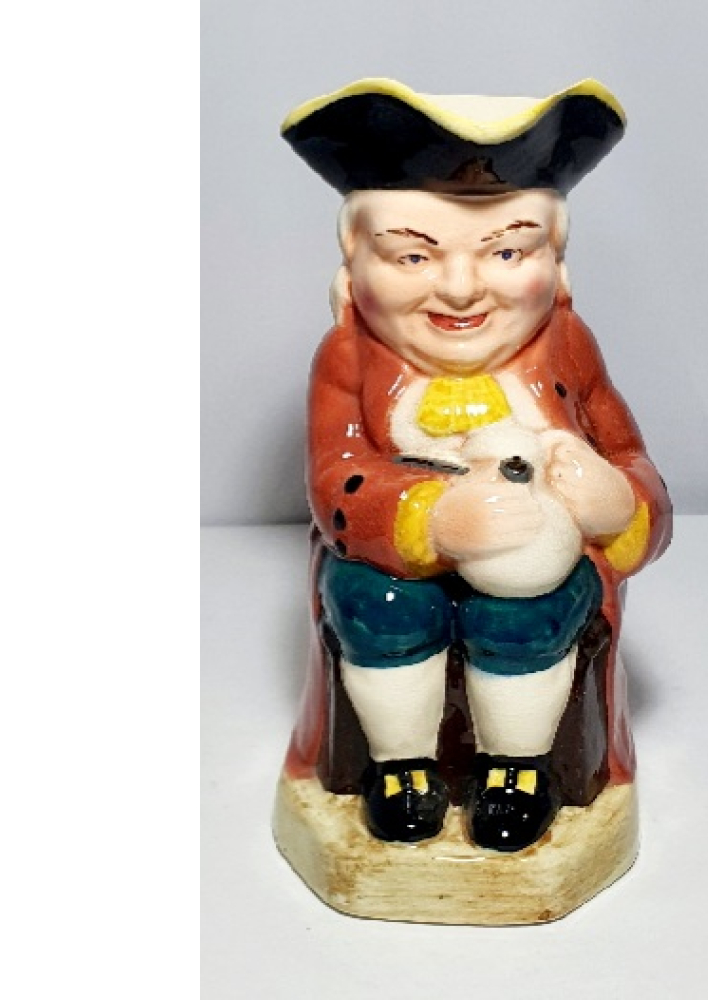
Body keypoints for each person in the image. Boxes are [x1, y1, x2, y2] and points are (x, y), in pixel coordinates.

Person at [280, 80, 671, 852]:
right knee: (379, 604)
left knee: (526, 613)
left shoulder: (567, 349)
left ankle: (516, 771)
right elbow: (335, 474)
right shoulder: (350, 358)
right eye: (412, 255)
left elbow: (633, 460)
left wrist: (617, 503)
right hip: (396, 563)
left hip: (539, 560)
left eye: (506, 252)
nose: (460, 289)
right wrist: (430, 518)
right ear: (356, 266)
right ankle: (400, 767)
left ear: (555, 266)